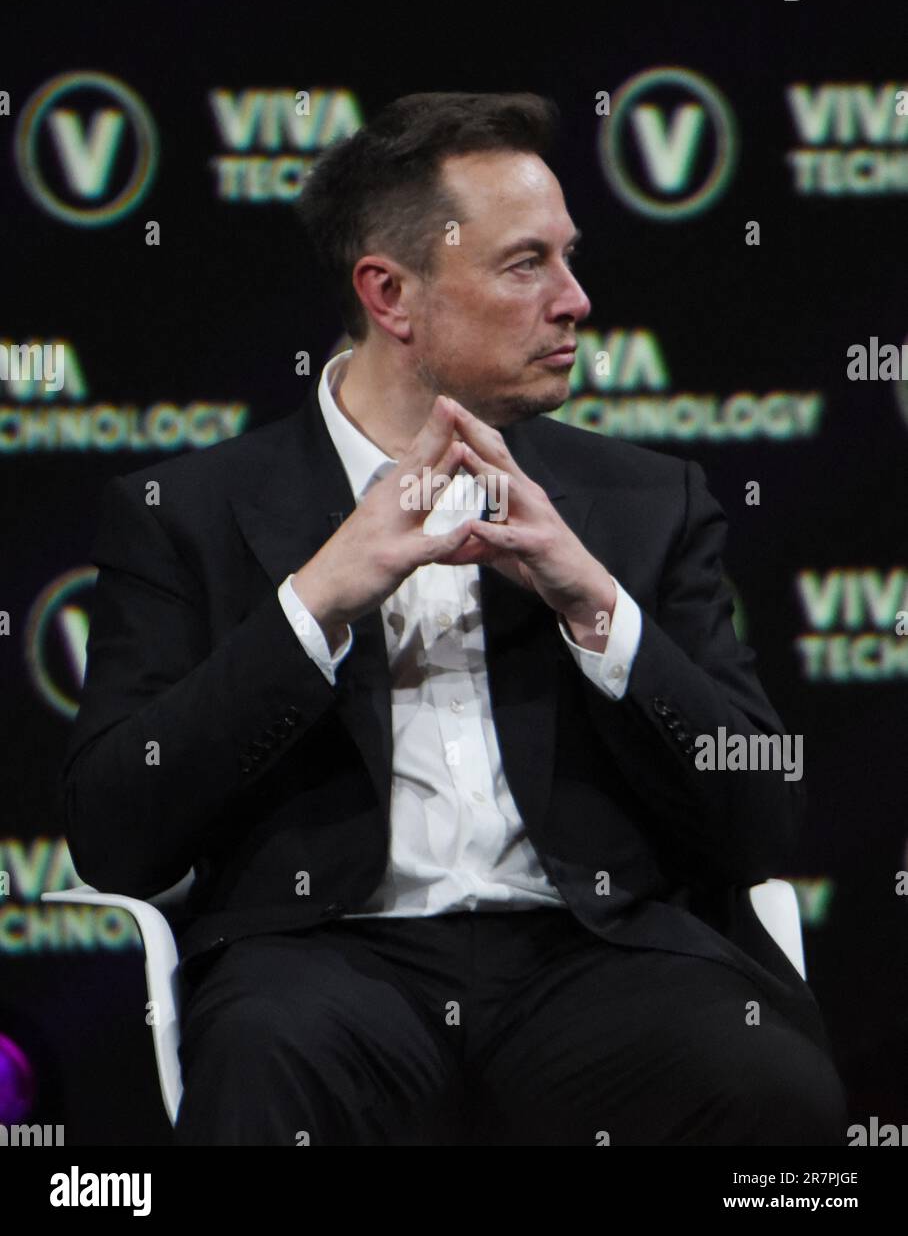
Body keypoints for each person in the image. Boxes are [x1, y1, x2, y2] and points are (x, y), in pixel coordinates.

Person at [62, 91, 847, 1146]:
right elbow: (115, 834)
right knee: (258, 1068)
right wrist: (314, 600)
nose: (574, 300)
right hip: (323, 964)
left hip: (591, 956)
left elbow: (762, 821)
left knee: (768, 1083)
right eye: (526, 264)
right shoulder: (188, 516)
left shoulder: (643, 504)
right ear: (391, 295)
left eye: (567, 258)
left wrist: (595, 605)